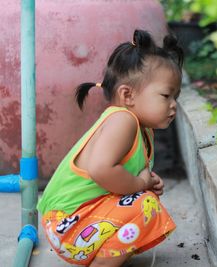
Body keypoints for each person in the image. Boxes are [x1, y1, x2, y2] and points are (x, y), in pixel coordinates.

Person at [37, 29, 184, 267]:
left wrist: (142, 180)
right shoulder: (123, 120)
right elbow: (101, 169)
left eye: (176, 96)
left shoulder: (138, 126)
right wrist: (139, 184)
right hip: (68, 223)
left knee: (143, 201)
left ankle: (107, 254)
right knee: (144, 205)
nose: (173, 105)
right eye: (166, 95)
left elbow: (113, 173)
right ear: (127, 95)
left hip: (75, 222)